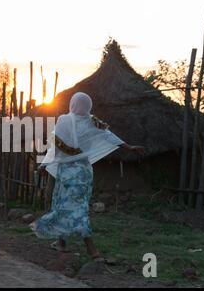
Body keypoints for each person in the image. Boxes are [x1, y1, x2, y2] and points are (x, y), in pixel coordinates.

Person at [31, 92, 144, 259]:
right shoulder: (93, 122)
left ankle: (92, 248)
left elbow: (56, 148)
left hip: (68, 173)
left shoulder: (64, 121)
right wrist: (130, 147)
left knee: (69, 207)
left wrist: (43, 165)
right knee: (76, 206)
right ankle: (61, 243)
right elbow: (110, 137)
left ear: (73, 104)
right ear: (88, 106)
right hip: (84, 172)